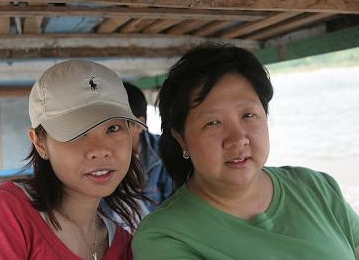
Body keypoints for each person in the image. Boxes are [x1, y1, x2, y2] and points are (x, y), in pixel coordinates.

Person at [132, 43, 359, 259]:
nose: (238, 139)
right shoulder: (164, 236)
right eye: (213, 123)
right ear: (182, 139)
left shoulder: (316, 187)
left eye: (248, 115)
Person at [0, 59, 147, 260]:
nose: (100, 150)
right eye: (77, 132)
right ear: (40, 143)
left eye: (113, 128)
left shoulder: (124, 245)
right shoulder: (6, 213)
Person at [123, 82, 173, 212]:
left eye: (115, 128)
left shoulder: (164, 151)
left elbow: (172, 203)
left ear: (139, 125)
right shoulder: (102, 156)